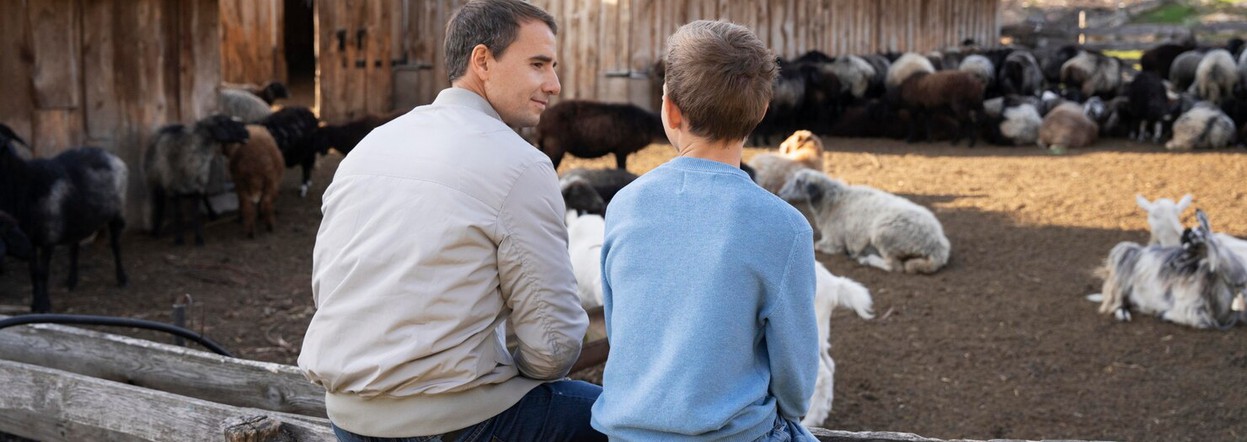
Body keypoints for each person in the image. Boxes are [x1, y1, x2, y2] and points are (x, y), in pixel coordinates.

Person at [298, 1, 603, 440]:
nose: (554, 84)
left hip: (348, 416)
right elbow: (554, 347)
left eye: (553, 67)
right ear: (482, 60)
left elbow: (327, 287)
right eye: (538, 64)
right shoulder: (520, 165)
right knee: (627, 420)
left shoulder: (370, 147)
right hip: (452, 423)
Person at [590, 20, 821, 441]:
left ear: (671, 109)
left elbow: (619, 323)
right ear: (762, 110)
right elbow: (796, 379)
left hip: (626, 431)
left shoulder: (625, 204)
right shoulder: (784, 226)